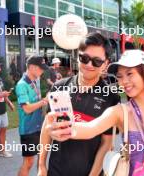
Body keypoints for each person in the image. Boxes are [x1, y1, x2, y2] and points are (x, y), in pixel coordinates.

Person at [42, 50, 144, 176]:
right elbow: (90, 129)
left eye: (130, 74)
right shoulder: (120, 112)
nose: (124, 81)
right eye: (119, 76)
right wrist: (66, 128)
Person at [38, 33, 121, 176]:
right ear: (78, 57)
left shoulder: (111, 98)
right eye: (85, 58)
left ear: (106, 63)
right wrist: (41, 166)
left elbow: (106, 143)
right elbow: (47, 126)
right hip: (56, 170)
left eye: (97, 61)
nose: (89, 65)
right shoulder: (59, 86)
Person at [16, 56, 49, 176]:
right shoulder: (21, 84)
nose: (42, 71)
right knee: (29, 162)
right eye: (41, 68)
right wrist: (44, 101)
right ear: (31, 67)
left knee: (41, 161)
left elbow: (37, 101)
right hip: (28, 129)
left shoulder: (36, 80)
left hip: (39, 126)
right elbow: (27, 109)